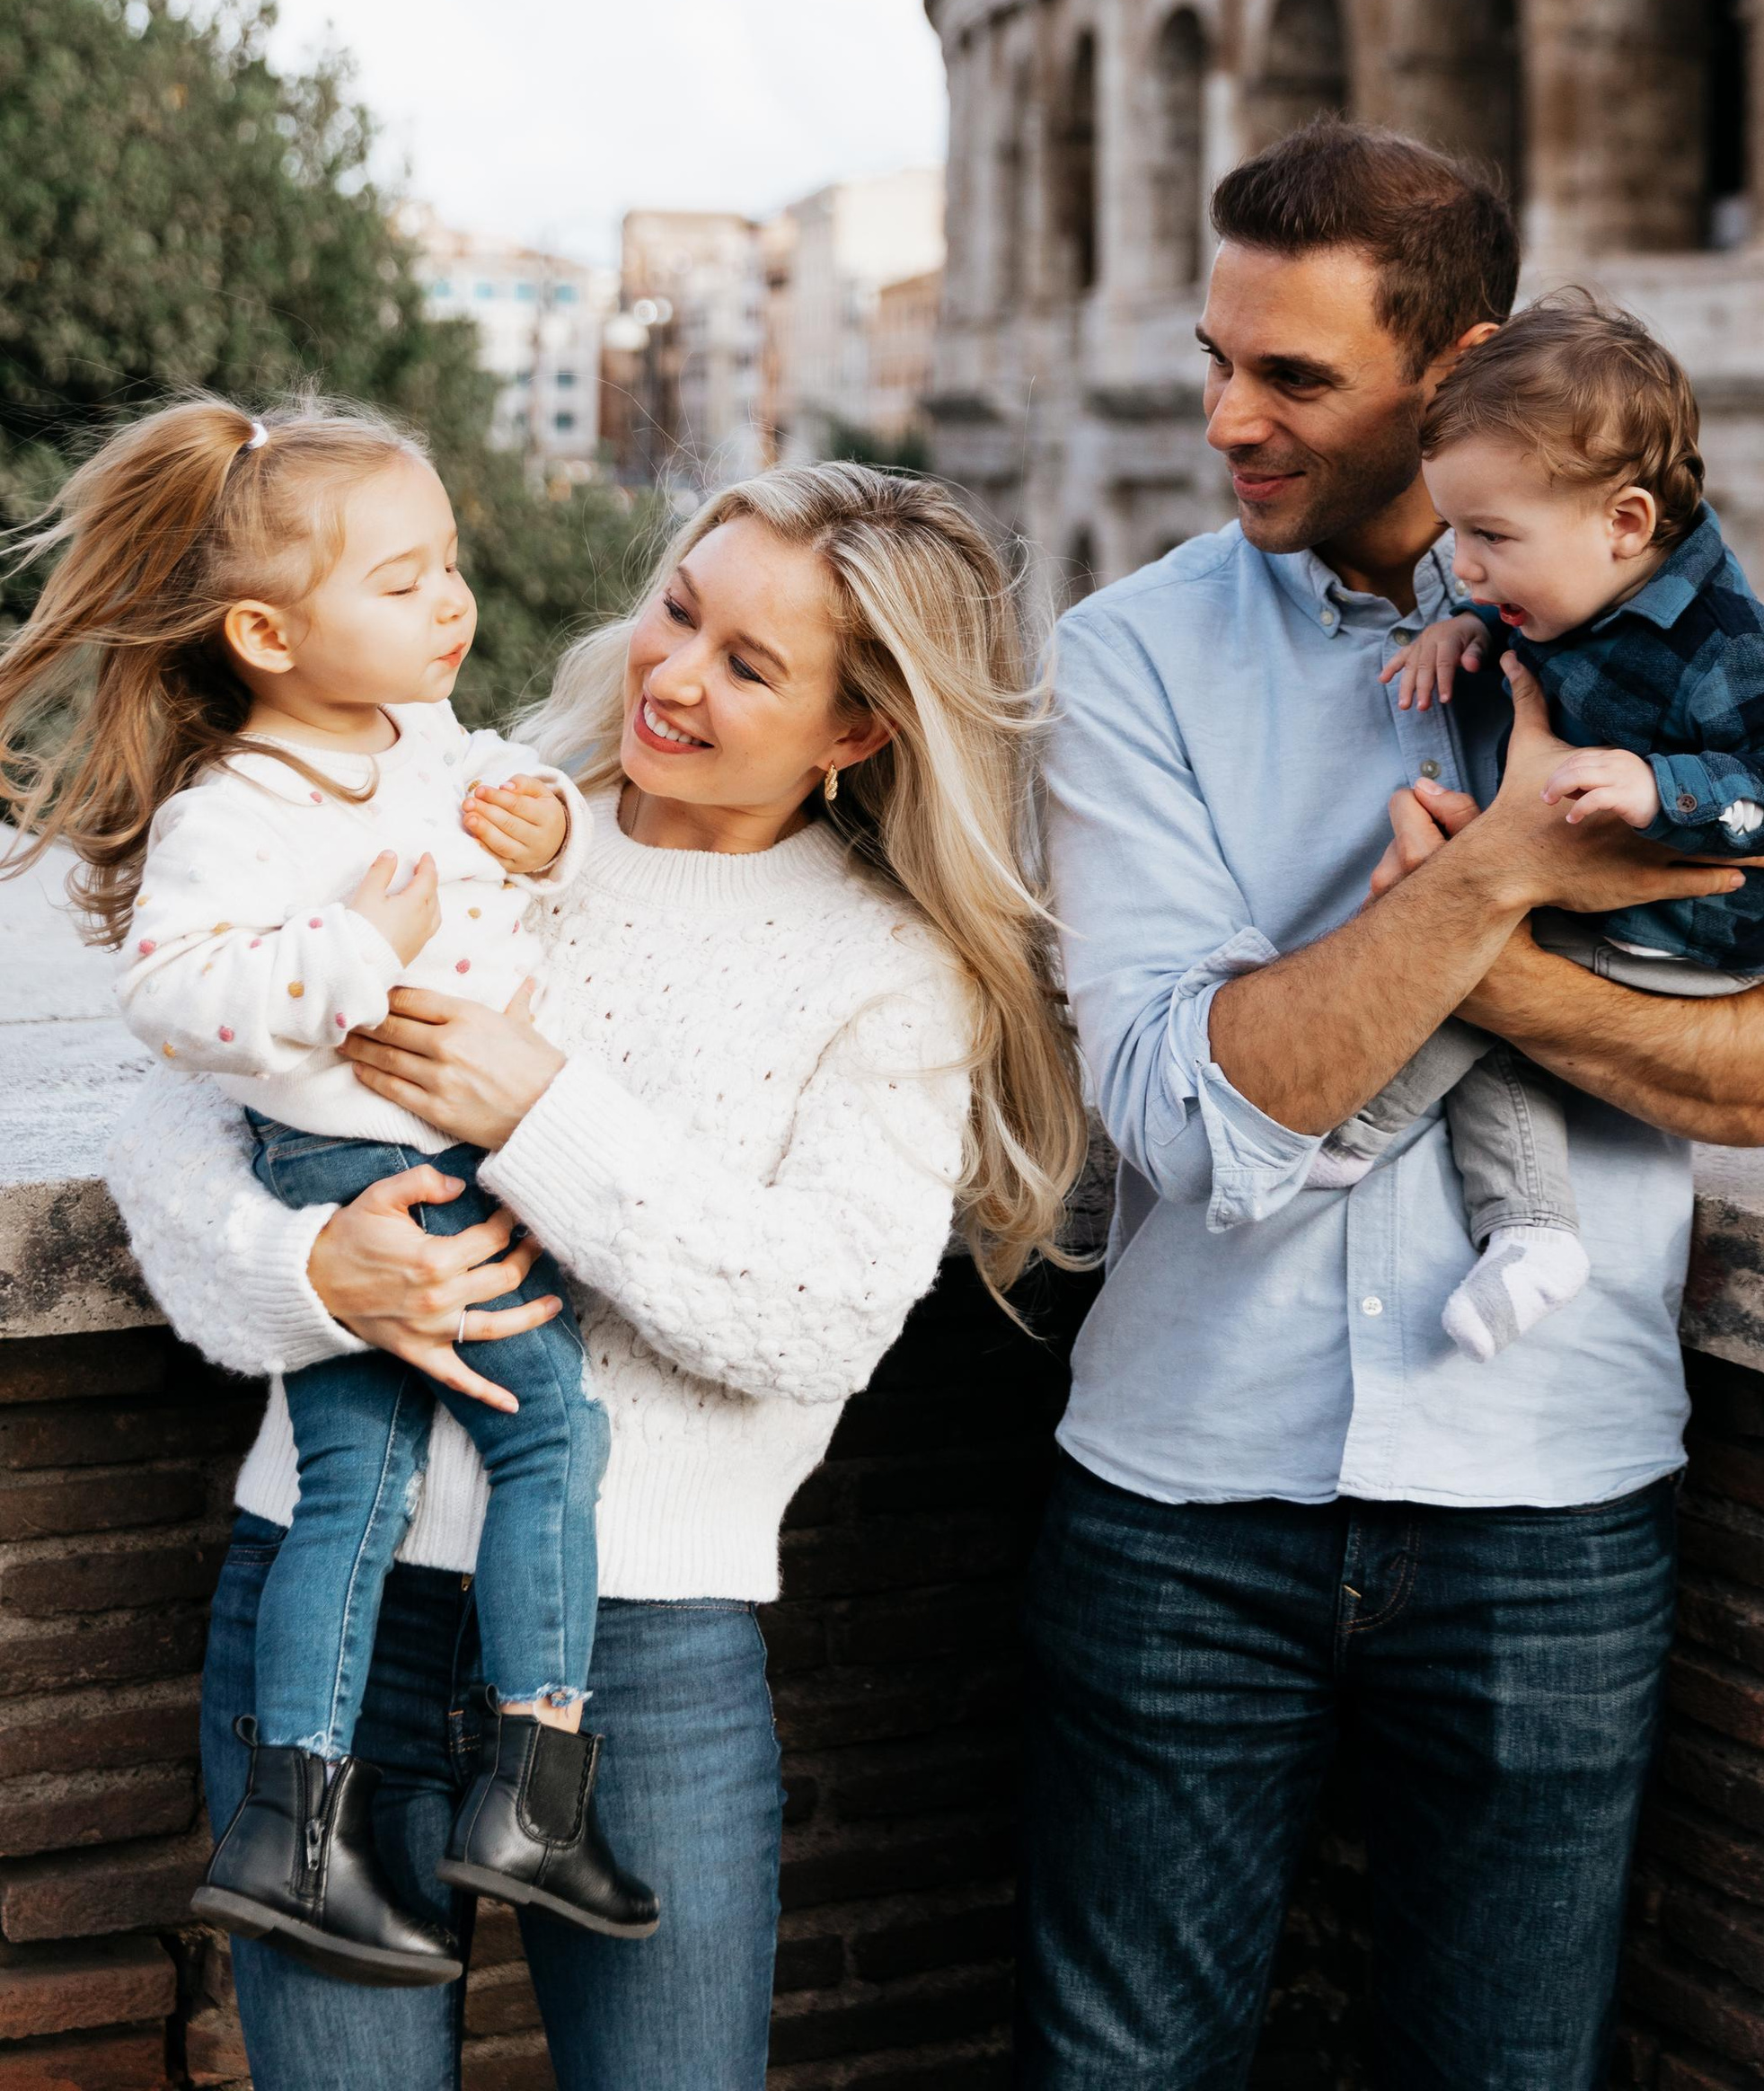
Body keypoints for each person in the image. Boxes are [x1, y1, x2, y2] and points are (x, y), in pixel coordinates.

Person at [1022, 120, 1764, 2091]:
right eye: (1213, 359)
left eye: (1293, 378)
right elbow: (1188, 1115)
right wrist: (1512, 867)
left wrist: (1446, 942)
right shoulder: (1130, 656)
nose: (1227, 419)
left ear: (1458, 369)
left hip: (1551, 1500)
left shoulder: (1698, 658)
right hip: (1183, 1497)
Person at [103, 459, 1084, 2091]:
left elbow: (821, 1313)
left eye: (748, 664)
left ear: (858, 731)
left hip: (646, 1655)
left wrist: (538, 1111)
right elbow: (171, 1117)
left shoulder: (886, 971)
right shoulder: (452, 808)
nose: (672, 674)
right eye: (678, 611)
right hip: (326, 1628)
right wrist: (308, 1272)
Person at [0, 396, 652, 1983]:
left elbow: (508, 804)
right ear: (267, 634)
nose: (452, 601)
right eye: (406, 577)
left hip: (417, 1154)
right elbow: (178, 1001)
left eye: (452, 566)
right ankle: (536, 1789)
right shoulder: (238, 811)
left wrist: (548, 823)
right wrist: (364, 949)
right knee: (555, 1427)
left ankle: (292, 1834)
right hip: (375, 1164)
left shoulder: (419, 741)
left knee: (348, 1497)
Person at [1327, 290, 1764, 1363]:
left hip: (1699, 929)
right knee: (1487, 951)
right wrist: (1453, 632)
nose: (1458, 565)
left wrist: (1666, 793)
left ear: (1625, 522)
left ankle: (1351, 1128)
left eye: (1487, 537)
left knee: (1472, 967)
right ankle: (1533, 1232)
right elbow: (1517, 611)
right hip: (1595, 882)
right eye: (1455, 532)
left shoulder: (1733, 647)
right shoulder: (1570, 586)